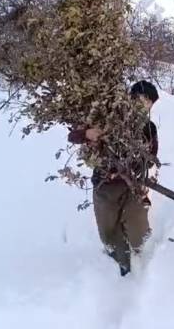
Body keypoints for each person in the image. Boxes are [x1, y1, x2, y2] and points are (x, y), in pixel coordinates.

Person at [68, 80, 159, 277]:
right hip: (105, 187)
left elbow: (151, 158)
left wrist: (138, 167)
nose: (146, 106)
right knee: (109, 235)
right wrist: (87, 133)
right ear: (131, 98)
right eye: (144, 100)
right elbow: (72, 136)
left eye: (149, 103)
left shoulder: (149, 128)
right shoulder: (109, 119)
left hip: (132, 186)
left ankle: (145, 270)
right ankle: (120, 271)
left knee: (140, 236)